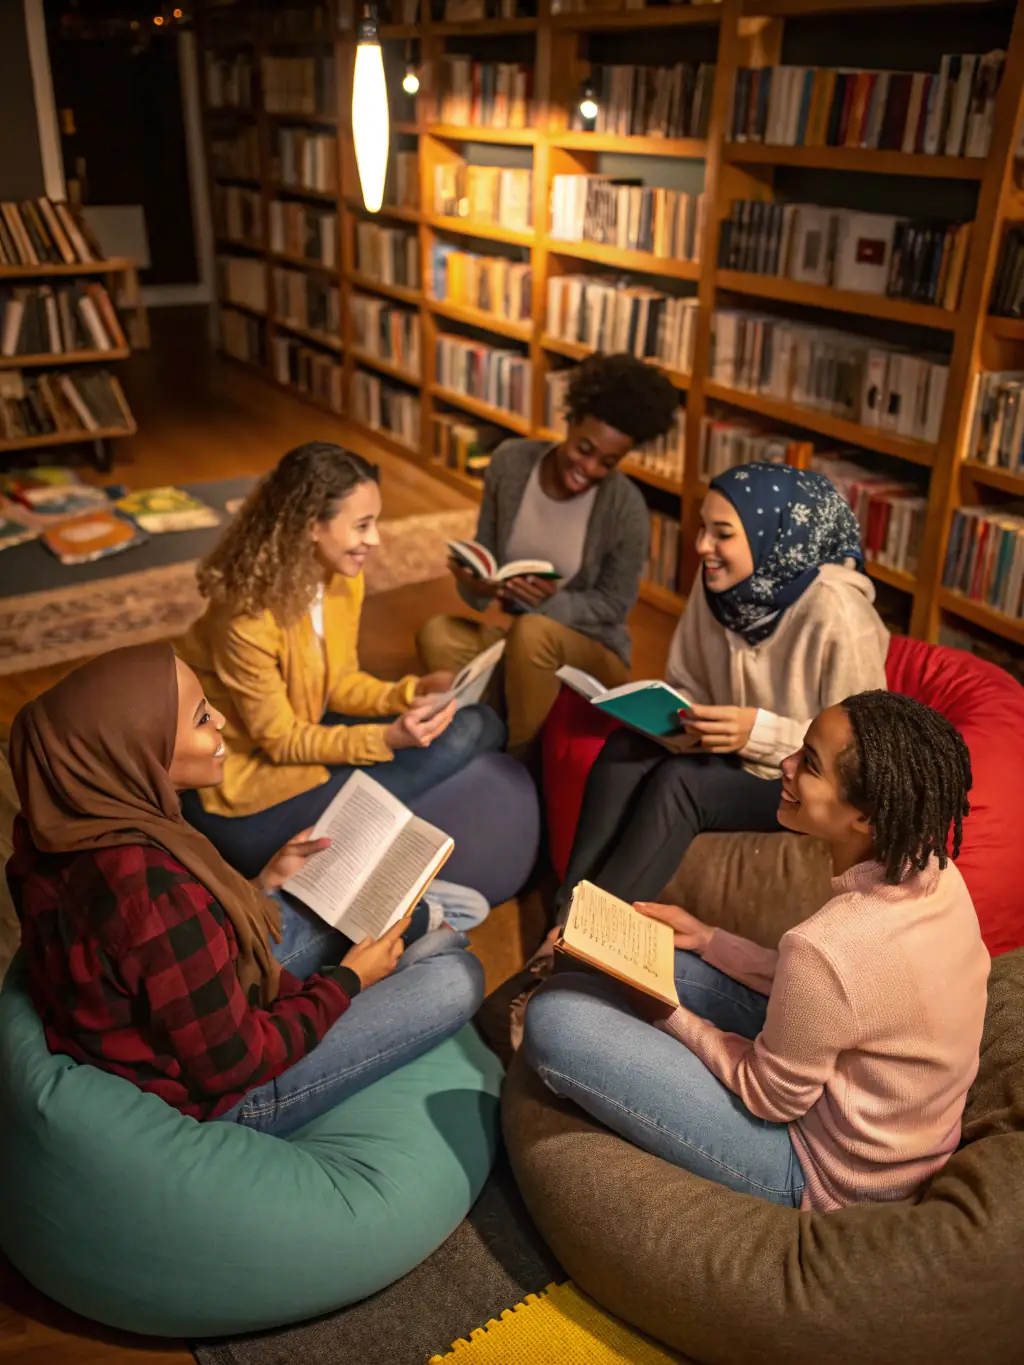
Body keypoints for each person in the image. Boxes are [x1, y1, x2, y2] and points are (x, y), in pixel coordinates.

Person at [523, 691, 990, 1210]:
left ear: (865, 817)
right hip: (889, 1121)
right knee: (658, 960)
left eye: (809, 765)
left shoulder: (835, 942)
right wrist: (708, 939)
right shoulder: (936, 872)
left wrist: (668, 1015)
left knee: (556, 1015)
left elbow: (771, 1095)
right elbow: (839, 994)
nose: (785, 766)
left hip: (828, 1173)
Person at [7, 644, 489, 1138]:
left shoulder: (61, 831)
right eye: (200, 718)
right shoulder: (152, 896)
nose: (218, 720)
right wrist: (347, 983)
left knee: (362, 912)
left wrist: (260, 883)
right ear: (138, 749)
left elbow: (143, 958)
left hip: (192, 1015)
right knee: (457, 974)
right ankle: (426, 942)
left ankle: (420, 933)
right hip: (227, 1095)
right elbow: (235, 1064)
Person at [555, 461, 890, 911]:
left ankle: (589, 935)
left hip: (805, 778)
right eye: (701, 529)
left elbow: (862, 757)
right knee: (623, 751)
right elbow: (687, 680)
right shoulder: (715, 586)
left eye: (722, 533)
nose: (701, 547)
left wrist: (757, 732)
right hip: (727, 750)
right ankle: (563, 917)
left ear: (773, 533)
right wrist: (681, 715)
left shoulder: (841, 616)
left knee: (683, 783)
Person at [176, 442, 506, 878]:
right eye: (363, 525)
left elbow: (340, 682)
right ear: (312, 525)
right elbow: (282, 741)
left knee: (478, 722)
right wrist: (386, 739)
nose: (375, 539)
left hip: (302, 733)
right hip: (243, 780)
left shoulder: (340, 578)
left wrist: (409, 691)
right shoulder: (245, 617)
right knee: (471, 732)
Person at [416, 353, 680, 754]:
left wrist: (550, 603)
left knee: (532, 633)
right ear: (570, 421)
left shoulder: (626, 509)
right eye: (584, 448)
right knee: (438, 634)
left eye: (606, 462)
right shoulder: (510, 463)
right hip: (524, 644)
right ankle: (509, 717)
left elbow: (613, 605)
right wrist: (476, 585)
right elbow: (485, 556)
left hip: (590, 654)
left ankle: (523, 761)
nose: (588, 469)